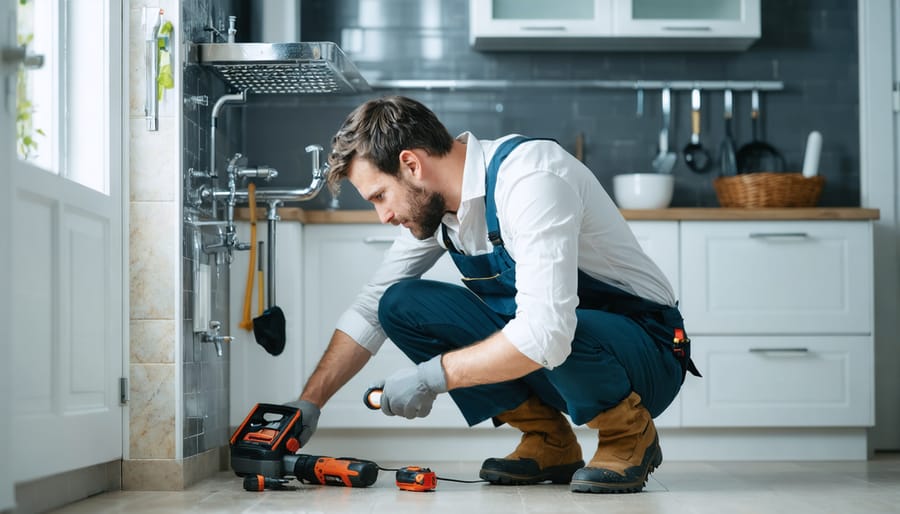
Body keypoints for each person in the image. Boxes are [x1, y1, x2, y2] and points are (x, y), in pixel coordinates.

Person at [286, 95, 699, 494]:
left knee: (552, 324)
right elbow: (370, 310)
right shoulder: (438, 211)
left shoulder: (530, 180)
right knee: (398, 304)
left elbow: (546, 333)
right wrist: (310, 403)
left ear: (411, 164)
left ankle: (627, 435)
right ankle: (548, 440)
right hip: (559, 359)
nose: (384, 216)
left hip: (648, 354)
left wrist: (431, 377)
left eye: (379, 196)